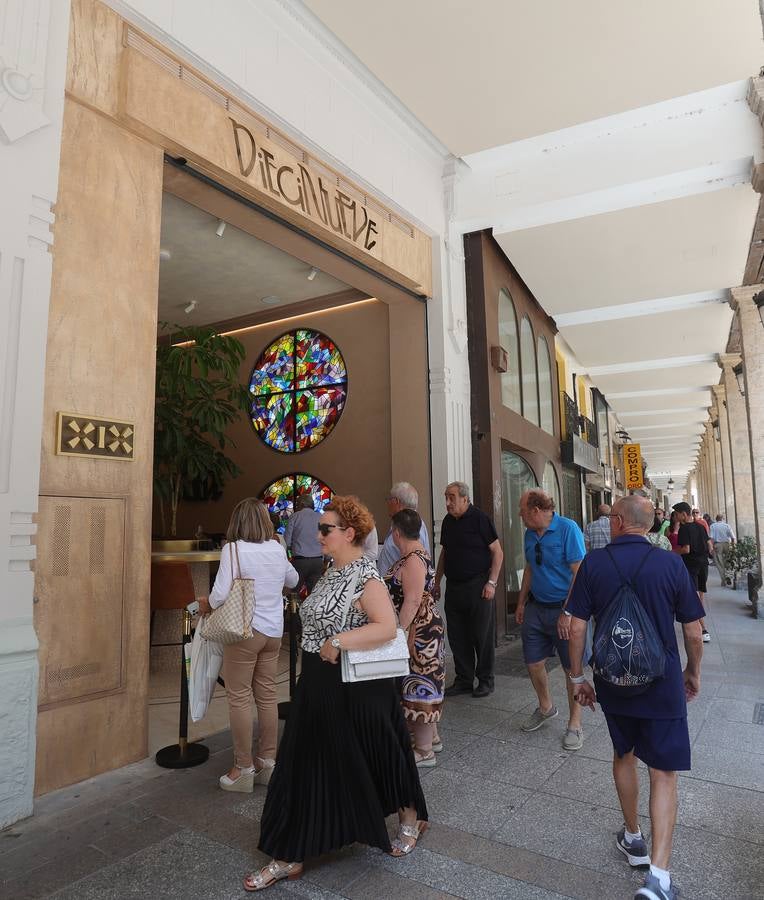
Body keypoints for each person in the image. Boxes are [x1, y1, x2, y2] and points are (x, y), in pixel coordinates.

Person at [247, 496, 428, 891]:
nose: (319, 535)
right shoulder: (331, 571)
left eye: (326, 529)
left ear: (349, 534)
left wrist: (341, 640)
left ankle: (410, 817)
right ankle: (290, 851)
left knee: (382, 746)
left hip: (355, 682)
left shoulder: (366, 576)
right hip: (317, 681)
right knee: (304, 761)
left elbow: (386, 626)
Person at [566, 495, 704, 900]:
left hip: (612, 682)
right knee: (663, 772)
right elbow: (694, 631)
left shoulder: (594, 564)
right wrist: (691, 674)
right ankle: (658, 878)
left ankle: (633, 838)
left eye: (611, 518)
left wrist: (578, 678)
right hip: (661, 685)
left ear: (620, 522)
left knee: (623, 754)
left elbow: (576, 628)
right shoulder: (670, 564)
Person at [198, 498, 299, 793]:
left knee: (239, 696)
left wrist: (206, 604)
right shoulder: (277, 548)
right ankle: (268, 762)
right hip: (273, 633)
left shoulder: (234, 549)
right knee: (267, 695)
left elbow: (219, 595)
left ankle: (242, 768)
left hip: (244, 631)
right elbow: (292, 579)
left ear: (237, 522)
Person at [515, 489, 586, 750]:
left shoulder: (568, 529)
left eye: (522, 510)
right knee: (533, 663)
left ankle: (575, 724)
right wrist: (521, 602)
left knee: (572, 668)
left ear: (535, 510)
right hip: (537, 607)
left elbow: (579, 574)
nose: (520, 516)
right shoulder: (529, 534)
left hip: (564, 609)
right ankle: (546, 707)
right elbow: (531, 569)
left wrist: (568, 612)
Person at [433, 481, 503, 699]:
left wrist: (492, 583)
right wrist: (436, 582)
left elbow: (497, 552)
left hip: (479, 586)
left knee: (481, 635)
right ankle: (464, 679)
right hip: (454, 586)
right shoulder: (447, 522)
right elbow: (445, 553)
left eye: (451, 497)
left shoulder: (480, 519)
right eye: (446, 497)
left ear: (465, 498)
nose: (447, 502)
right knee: (457, 635)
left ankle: (485, 680)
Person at [387, 508, 445, 767]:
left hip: (418, 632)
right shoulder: (419, 553)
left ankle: (423, 750)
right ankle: (431, 738)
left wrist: (398, 631)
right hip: (424, 628)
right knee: (423, 680)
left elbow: (411, 600)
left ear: (397, 533)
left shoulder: (412, 560)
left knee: (419, 681)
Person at [673, 502, 714, 643]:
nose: (676, 517)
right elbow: (709, 545)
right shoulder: (701, 526)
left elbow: (686, 549)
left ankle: (703, 629)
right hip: (703, 565)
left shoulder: (685, 529)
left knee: (693, 598)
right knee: (699, 597)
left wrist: (670, 553)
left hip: (691, 566)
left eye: (677, 514)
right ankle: (701, 626)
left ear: (684, 514)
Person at [376, 482, 430, 576]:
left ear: (396, 501)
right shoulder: (401, 522)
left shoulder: (412, 523)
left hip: (403, 586)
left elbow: (415, 561)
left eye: (389, 499)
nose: (388, 503)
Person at [284, 495, 324, 594]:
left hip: (300, 562)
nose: (296, 506)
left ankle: (294, 609)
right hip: (318, 561)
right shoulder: (321, 517)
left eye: (297, 504)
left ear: (302, 504)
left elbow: (287, 542)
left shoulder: (295, 516)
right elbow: (326, 540)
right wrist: (326, 560)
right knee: (315, 595)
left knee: (293, 593)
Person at [709, 514, 735, 586]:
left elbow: (711, 538)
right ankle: (729, 576)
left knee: (719, 563)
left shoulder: (713, 526)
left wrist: (710, 548)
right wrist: (733, 546)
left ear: (716, 519)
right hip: (726, 544)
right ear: (723, 519)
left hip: (717, 545)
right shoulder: (727, 526)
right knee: (728, 562)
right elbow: (733, 537)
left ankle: (724, 580)